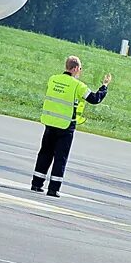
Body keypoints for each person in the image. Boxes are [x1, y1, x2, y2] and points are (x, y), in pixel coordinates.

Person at [30, 55, 111, 197]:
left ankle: (36, 184)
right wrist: (104, 86)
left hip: (50, 122)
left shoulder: (53, 79)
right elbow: (94, 99)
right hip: (65, 126)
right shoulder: (78, 86)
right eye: (80, 69)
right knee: (60, 158)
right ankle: (53, 189)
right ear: (74, 68)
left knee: (44, 154)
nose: (80, 71)